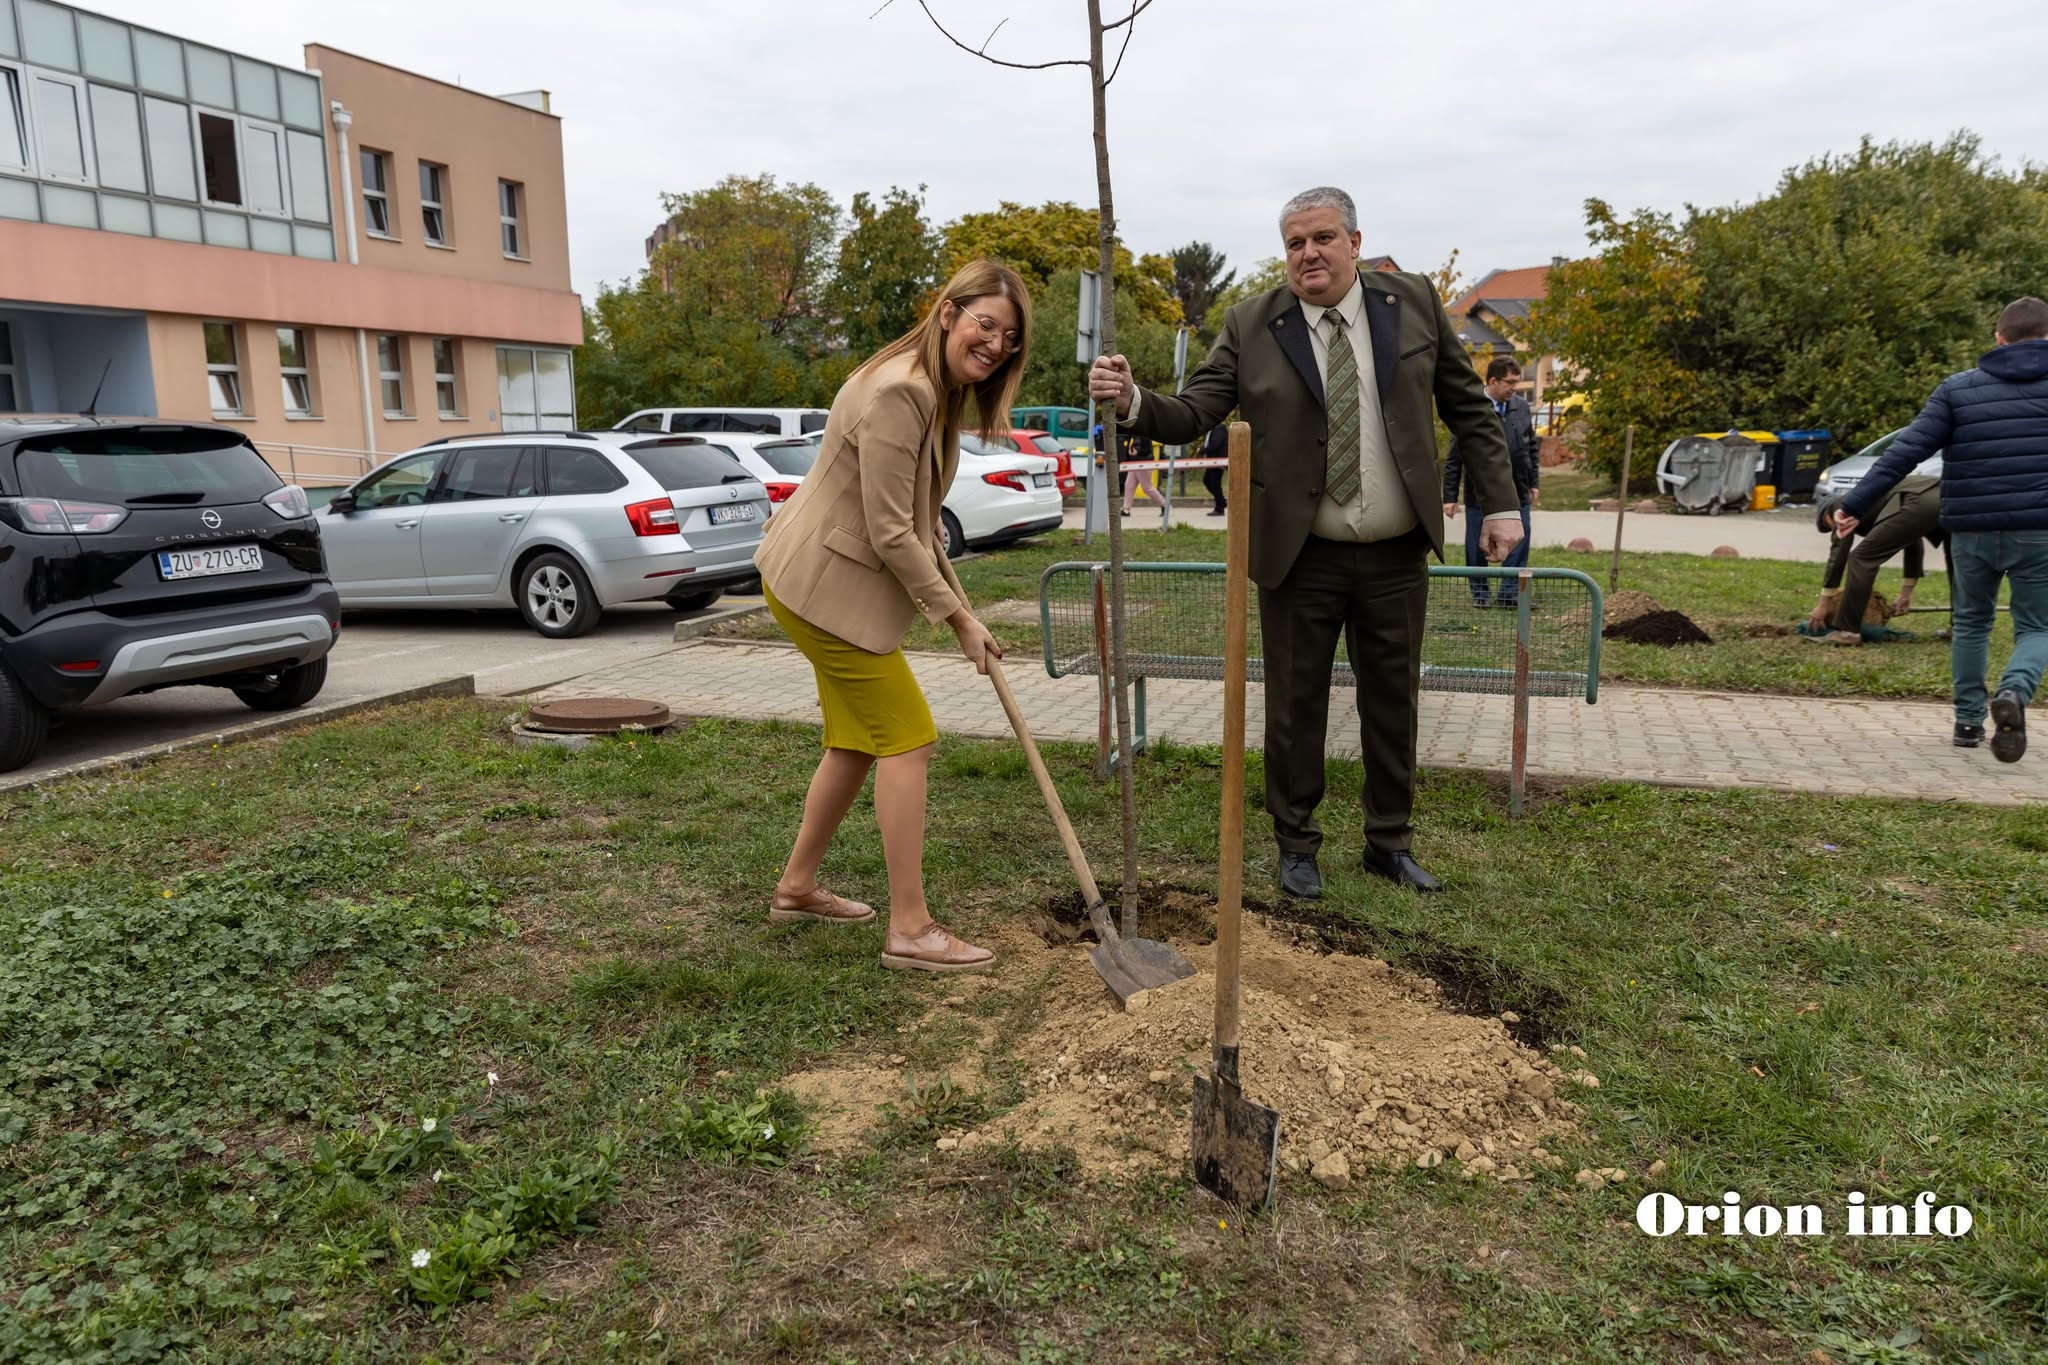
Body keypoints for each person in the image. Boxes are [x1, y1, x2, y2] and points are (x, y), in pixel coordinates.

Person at [1088, 186, 1521, 899]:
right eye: (1295, 243)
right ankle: (1296, 845)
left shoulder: (1413, 302)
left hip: (1395, 553)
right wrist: (1133, 400)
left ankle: (1389, 842)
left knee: (1394, 700)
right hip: (1299, 555)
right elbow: (1196, 409)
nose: (1308, 253)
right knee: (1294, 707)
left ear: (1355, 242)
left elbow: (1469, 409)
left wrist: (1500, 505)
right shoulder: (1252, 322)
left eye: (1323, 238)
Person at [753, 259, 1031, 969]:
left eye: (1009, 339)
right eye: (986, 325)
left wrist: (932, 537)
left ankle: (796, 887)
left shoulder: (925, 384)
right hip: (822, 589)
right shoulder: (904, 391)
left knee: (856, 740)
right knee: (909, 739)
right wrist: (958, 620)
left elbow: (907, 511)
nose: (995, 345)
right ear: (949, 313)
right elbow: (888, 532)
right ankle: (910, 927)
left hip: (809, 574)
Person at [1835, 296, 2048, 761]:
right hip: (2040, 531)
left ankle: (1968, 723)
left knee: (1971, 622)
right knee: (2037, 626)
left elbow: (1904, 451)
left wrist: (1855, 503)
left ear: (1998, 338)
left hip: (1971, 531)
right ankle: (2013, 691)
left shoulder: (1958, 389)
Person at [1442, 357, 1541, 607]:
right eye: (1510, 382)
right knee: (1478, 546)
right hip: (1480, 494)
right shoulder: (1475, 409)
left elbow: (1531, 447)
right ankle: (1481, 595)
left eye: (1517, 382)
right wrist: (1450, 497)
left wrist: (1533, 482)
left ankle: (1510, 594)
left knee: (1518, 542)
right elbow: (1454, 457)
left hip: (1519, 490)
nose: (1515, 388)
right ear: (1493, 381)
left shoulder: (1520, 407)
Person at [1805, 474, 1943, 646]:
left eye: (1827, 526)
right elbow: (1912, 541)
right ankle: (1961, 627)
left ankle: (1848, 633)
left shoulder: (1839, 506)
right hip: (1949, 495)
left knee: (1860, 559)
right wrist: (1906, 593)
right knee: (1957, 559)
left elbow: (1838, 556)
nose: (1832, 529)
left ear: (1826, 516)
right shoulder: (1868, 505)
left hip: (1920, 497)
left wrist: (1823, 604)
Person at [1200, 423, 1229, 515]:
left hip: (1217, 462)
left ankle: (1219, 508)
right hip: (1211, 462)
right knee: (1207, 481)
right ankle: (1221, 501)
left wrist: (1201, 450)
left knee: (1215, 484)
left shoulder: (1219, 428)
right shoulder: (1213, 429)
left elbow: (1215, 445)